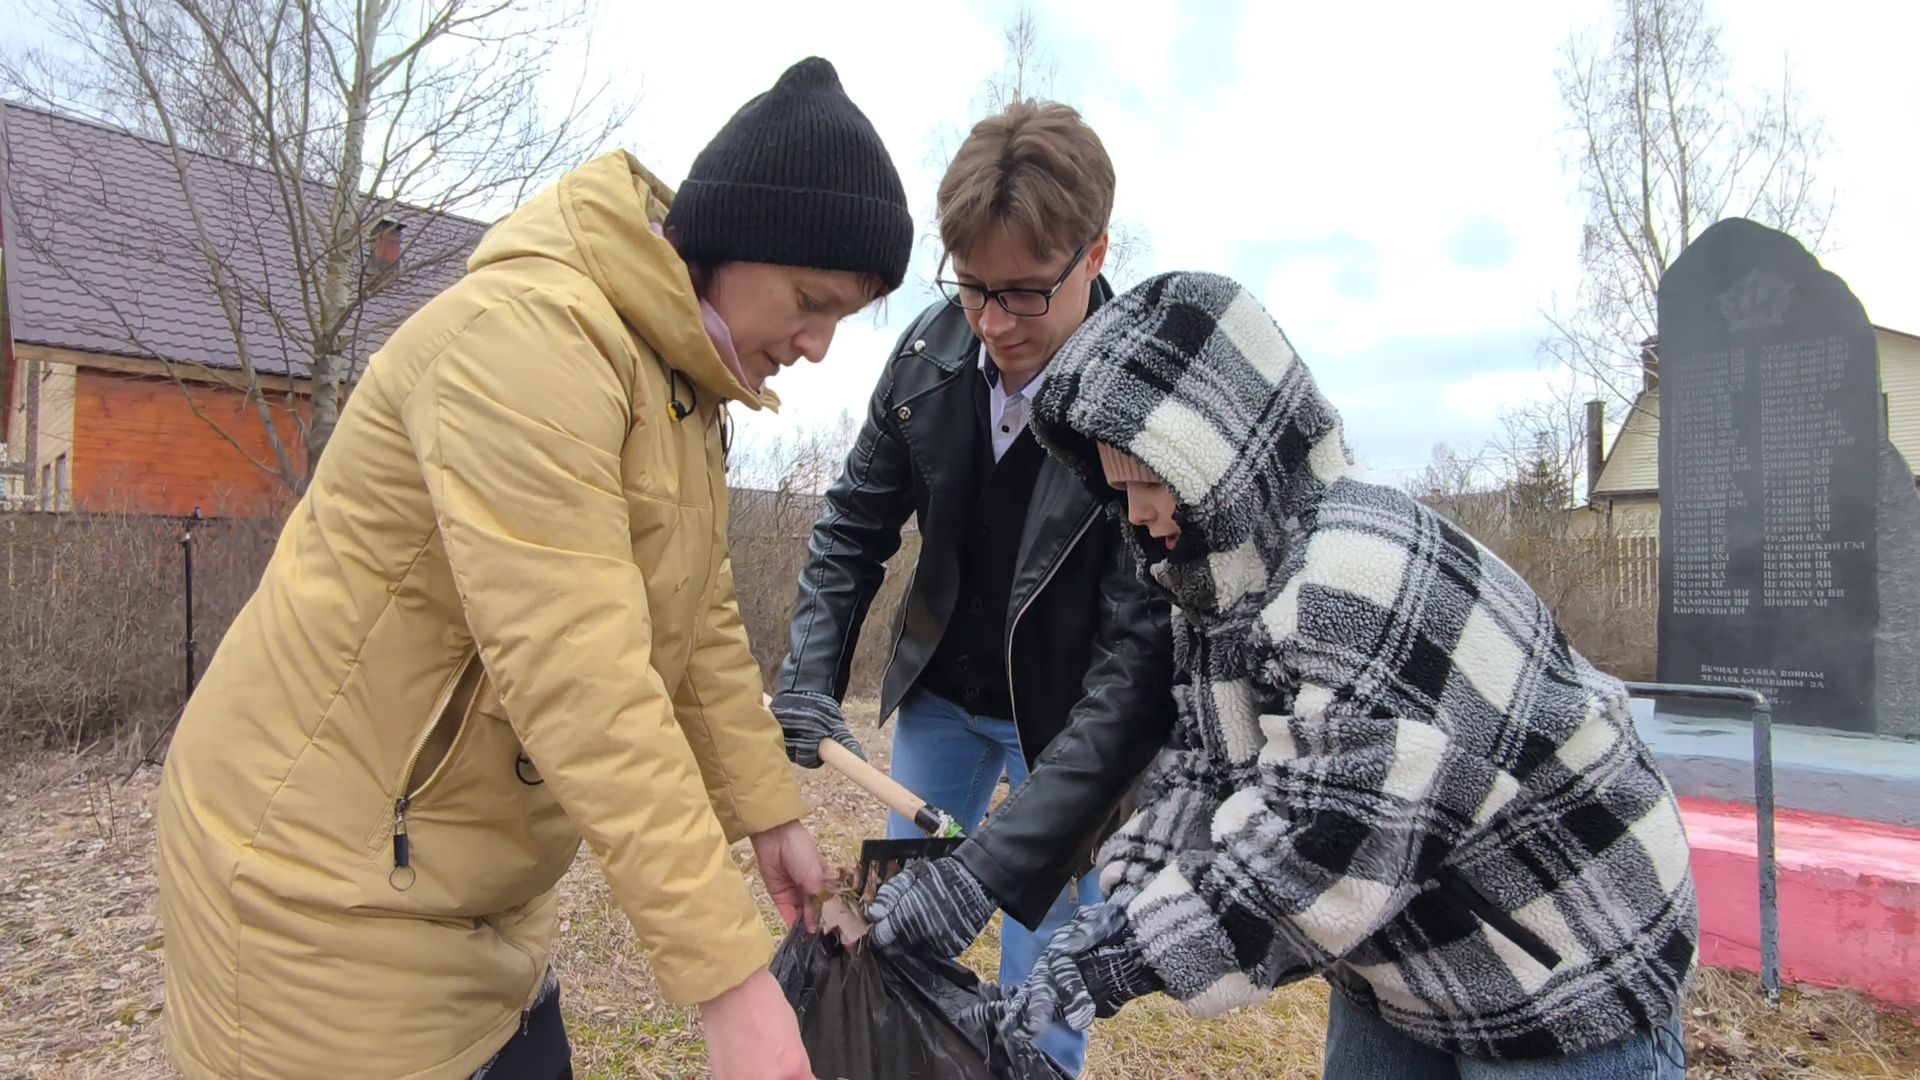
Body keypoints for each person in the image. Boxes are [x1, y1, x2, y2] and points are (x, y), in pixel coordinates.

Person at [154, 57, 913, 1080]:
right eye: (812, 302)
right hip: (321, 888)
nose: (820, 346)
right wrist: (731, 983)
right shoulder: (527, 344)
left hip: (467, 889)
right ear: (738, 244)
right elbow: (581, 674)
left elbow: (702, 623)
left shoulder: (678, 385)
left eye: (843, 318)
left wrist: (766, 814)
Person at [992, 271, 1696, 1079]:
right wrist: (1118, 908)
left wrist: (1122, 957)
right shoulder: (1217, 589)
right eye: (1118, 490)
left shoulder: (1356, 573)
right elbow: (1202, 776)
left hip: (1562, 947)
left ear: (1222, 456)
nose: (1139, 516)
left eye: (1151, 485)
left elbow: (1320, 843)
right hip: (1404, 949)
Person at [768, 100, 1174, 1076]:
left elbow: (1134, 673)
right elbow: (855, 527)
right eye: (973, 289)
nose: (993, 325)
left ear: (1095, 251)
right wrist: (813, 667)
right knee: (900, 941)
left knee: (1044, 998)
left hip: (1074, 738)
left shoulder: (1149, 405)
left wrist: (996, 868)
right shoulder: (928, 354)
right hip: (942, 710)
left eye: (1026, 294)